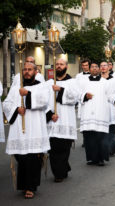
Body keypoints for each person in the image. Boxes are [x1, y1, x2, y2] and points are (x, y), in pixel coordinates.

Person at [3, 62, 50, 199]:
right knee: (21, 157)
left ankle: (31, 187)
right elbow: (6, 104)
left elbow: (43, 101)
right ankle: (23, 185)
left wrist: (28, 94)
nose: (27, 72)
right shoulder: (15, 88)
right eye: (25, 69)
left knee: (33, 158)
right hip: (19, 128)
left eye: (30, 69)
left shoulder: (41, 86)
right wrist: (17, 109)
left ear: (36, 71)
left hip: (35, 127)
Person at [46, 58, 80, 183]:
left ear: (66, 66)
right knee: (53, 148)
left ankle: (62, 170)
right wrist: (50, 114)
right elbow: (43, 101)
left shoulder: (72, 82)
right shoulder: (49, 82)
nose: (59, 66)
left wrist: (60, 90)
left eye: (61, 64)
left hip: (66, 120)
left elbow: (75, 98)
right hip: (53, 121)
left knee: (64, 148)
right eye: (57, 64)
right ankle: (59, 172)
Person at [80, 62, 115, 166]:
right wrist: (84, 96)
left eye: (96, 67)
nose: (94, 69)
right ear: (89, 69)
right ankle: (92, 158)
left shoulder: (105, 82)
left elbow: (110, 94)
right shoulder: (83, 82)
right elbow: (77, 93)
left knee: (100, 137)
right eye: (92, 67)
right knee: (89, 137)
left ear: (98, 69)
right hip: (88, 113)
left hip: (101, 113)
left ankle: (101, 158)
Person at [101, 62, 115, 156]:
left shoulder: (114, 79)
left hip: (111, 106)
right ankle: (103, 148)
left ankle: (110, 148)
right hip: (101, 106)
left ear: (109, 68)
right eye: (101, 66)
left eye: (105, 66)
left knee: (111, 129)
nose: (103, 67)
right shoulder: (97, 79)